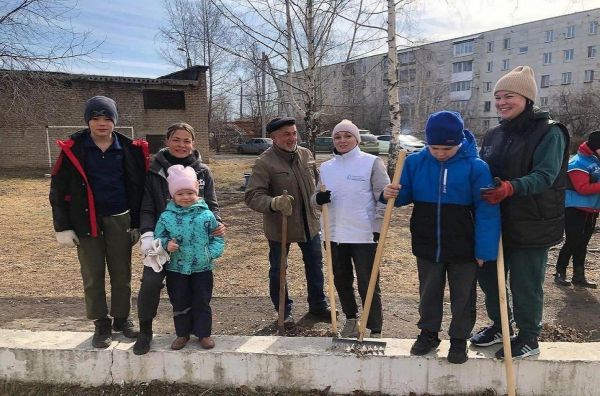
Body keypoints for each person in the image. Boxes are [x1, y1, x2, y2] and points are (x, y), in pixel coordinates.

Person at [382, 111, 500, 364]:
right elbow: (402, 197)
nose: (440, 153)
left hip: (464, 246)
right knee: (428, 291)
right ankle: (428, 333)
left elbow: (487, 212)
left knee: (463, 295)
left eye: (447, 148)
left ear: (459, 142)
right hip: (427, 242)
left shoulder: (476, 167)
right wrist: (390, 193)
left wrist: (484, 250)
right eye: (434, 147)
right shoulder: (414, 163)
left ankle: (459, 339)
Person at [473, 66, 570, 359]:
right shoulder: (494, 134)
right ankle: (501, 324)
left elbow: (546, 175)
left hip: (532, 221)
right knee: (489, 278)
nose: (502, 102)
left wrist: (510, 189)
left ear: (527, 98)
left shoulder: (550, 132)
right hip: (495, 220)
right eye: (498, 97)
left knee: (525, 284)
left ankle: (529, 337)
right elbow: (481, 170)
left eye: (509, 96)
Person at [49, 95, 148, 348]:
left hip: (120, 218)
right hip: (86, 221)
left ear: (115, 121)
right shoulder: (73, 148)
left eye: (107, 118)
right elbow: (58, 191)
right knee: (92, 274)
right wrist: (62, 226)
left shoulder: (128, 148)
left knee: (122, 272)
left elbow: (138, 188)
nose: (102, 123)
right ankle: (100, 322)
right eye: (96, 118)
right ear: (88, 121)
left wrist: (137, 222)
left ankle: (121, 318)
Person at [133, 122, 225, 355]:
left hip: (194, 246)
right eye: (176, 139)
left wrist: (217, 224)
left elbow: (211, 205)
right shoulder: (154, 170)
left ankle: (199, 331)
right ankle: (145, 331)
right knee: (151, 283)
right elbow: (146, 207)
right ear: (167, 141)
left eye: (187, 140)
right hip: (160, 239)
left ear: (193, 144)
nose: (181, 145)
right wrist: (148, 234)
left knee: (197, 291)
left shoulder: (203, 171)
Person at [245, 116, 331, 324]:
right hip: (280, 226)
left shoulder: (305, 154)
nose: (292, 138)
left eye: (294, 133)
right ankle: (284, 310)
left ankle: (318, 306)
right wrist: (274, 203)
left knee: (315, 266)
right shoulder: (265, 162)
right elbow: (252, 196)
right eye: (286, 134)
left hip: (309, 224)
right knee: (278, 270)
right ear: (273, 137)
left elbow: (317, 181)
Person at [312, 119, 389, 338]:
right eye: (338, 137)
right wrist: (318, 198)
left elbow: (383, 198)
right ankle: (351, 318)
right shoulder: (327, 167)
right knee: (341, 279)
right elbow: (315, 199)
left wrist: (377, 227)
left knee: (369, 281)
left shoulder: (372, 162)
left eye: (347, 136)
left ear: (357, 139)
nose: (342, 140)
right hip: (334, 234)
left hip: (364, 234)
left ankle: (374, 326)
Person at [153, 165, 225, 350]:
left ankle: (204, 334)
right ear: (172, 196)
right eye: (180, 194)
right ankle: (182, 333)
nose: (186, 197)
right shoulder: (166, 216)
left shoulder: (207, 215)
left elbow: (217, 236)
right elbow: (158, 237)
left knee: (202, 300)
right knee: (179, 301)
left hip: (202, 268)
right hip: (177, 268)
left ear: (196, 192)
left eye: (189, 193)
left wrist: (211, 253)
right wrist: (166, 244)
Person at [554, 130, 600, 288]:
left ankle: (579, 276)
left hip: (591, 210)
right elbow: (583, 188)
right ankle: (560, 272)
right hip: (575, 208)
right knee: (573, 241)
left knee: (583, 242)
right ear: (595, 147)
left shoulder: (596, 160)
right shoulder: (577, 163)